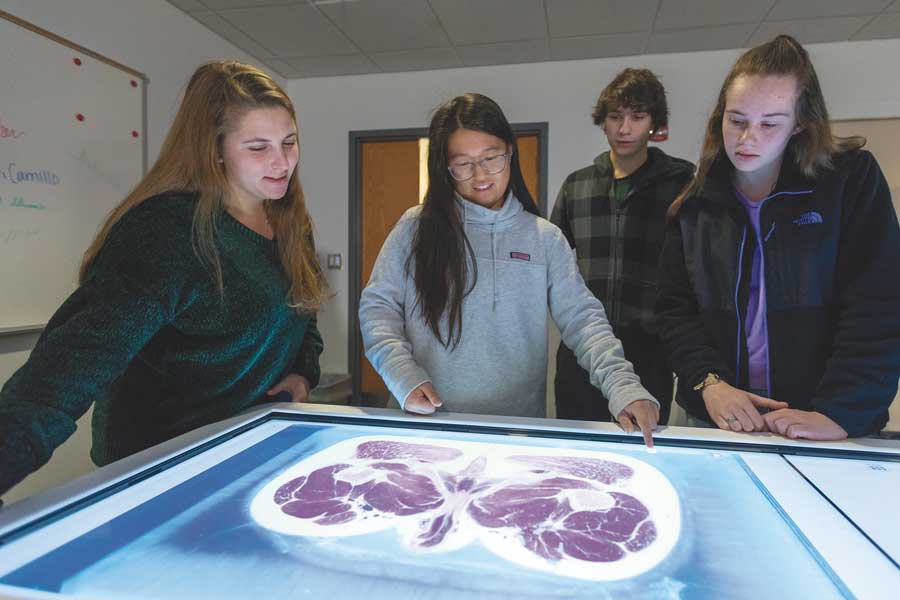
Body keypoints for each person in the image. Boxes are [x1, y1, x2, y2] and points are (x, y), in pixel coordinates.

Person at [0, 61, 327, 496]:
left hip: (244, 449)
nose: (281, 161)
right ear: (215, 148)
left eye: (289, 142)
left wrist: (303, 372)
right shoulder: (166, 231)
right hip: (159, 465)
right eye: (257, 147)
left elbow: (303, 312)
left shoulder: (289, 219)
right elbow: (70, 365)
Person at [359, 93, 658, 445]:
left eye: (491, 158)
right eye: (463, 164)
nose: (480, 175)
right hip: (424, 425)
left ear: (509, 153)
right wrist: (401, 375)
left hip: (514, 432)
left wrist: (624, 386)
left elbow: (583, 320)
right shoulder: (415, 227)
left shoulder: (544, 239)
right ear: (445, 168)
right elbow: (378, 309)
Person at [656, 35, 900, 440]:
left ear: (801, 122)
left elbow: (879, 306)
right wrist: (708, 383)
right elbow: (675, 312)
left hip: (824, 418)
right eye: (736, 120)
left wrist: (840, 412)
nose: (748, 137)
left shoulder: (849, 181)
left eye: (770, 123)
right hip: (718, 417)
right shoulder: (695, 202)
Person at [551, 68, 693, 425]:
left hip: (649, 349)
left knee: (641, 445)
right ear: (603, 122)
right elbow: (552, 265)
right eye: (615, 117)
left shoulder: (682, 183)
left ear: (653, 124)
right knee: (575, 445)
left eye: (637, 117)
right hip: (581, 349)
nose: (625, 128)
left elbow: (696, 267)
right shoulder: (576, 186)